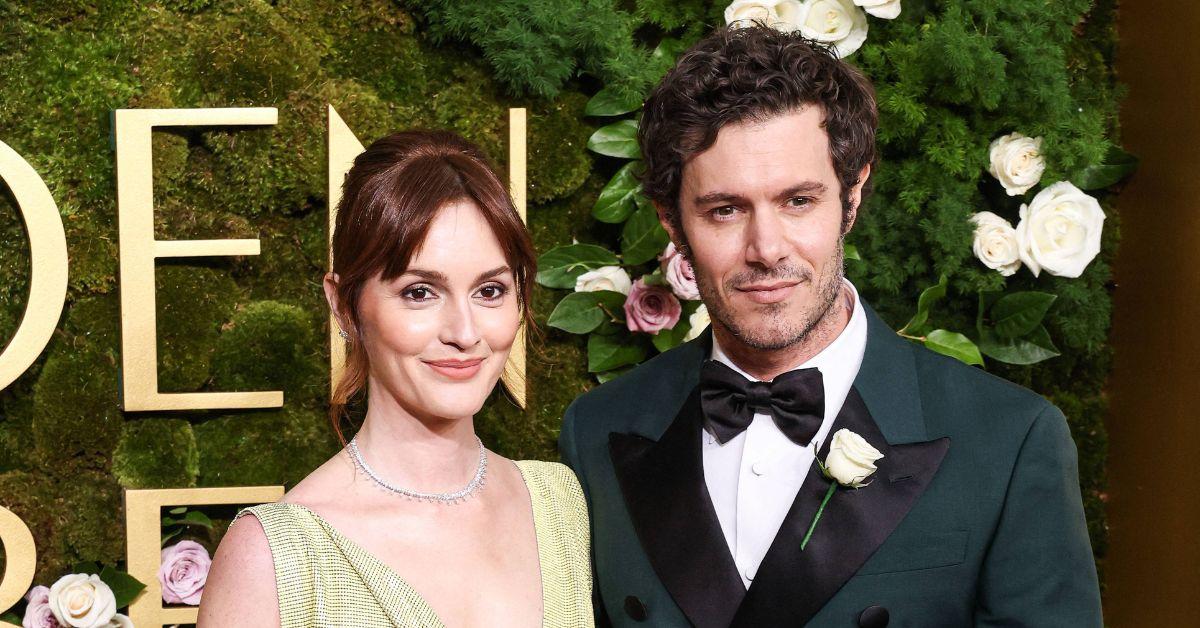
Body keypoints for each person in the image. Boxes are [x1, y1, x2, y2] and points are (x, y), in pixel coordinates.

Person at [559, 25, 1102, 628]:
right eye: (724, 210)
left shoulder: (1011, 441)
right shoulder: (597, 430)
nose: (765, 249)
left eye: (798, 201)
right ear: (671, 221)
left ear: (852, 197)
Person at [199, 131, 593, 628]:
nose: (464, 333)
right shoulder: (275, 558)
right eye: (420, 292)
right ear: (344, 306)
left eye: (490, 290)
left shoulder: (561, 506)